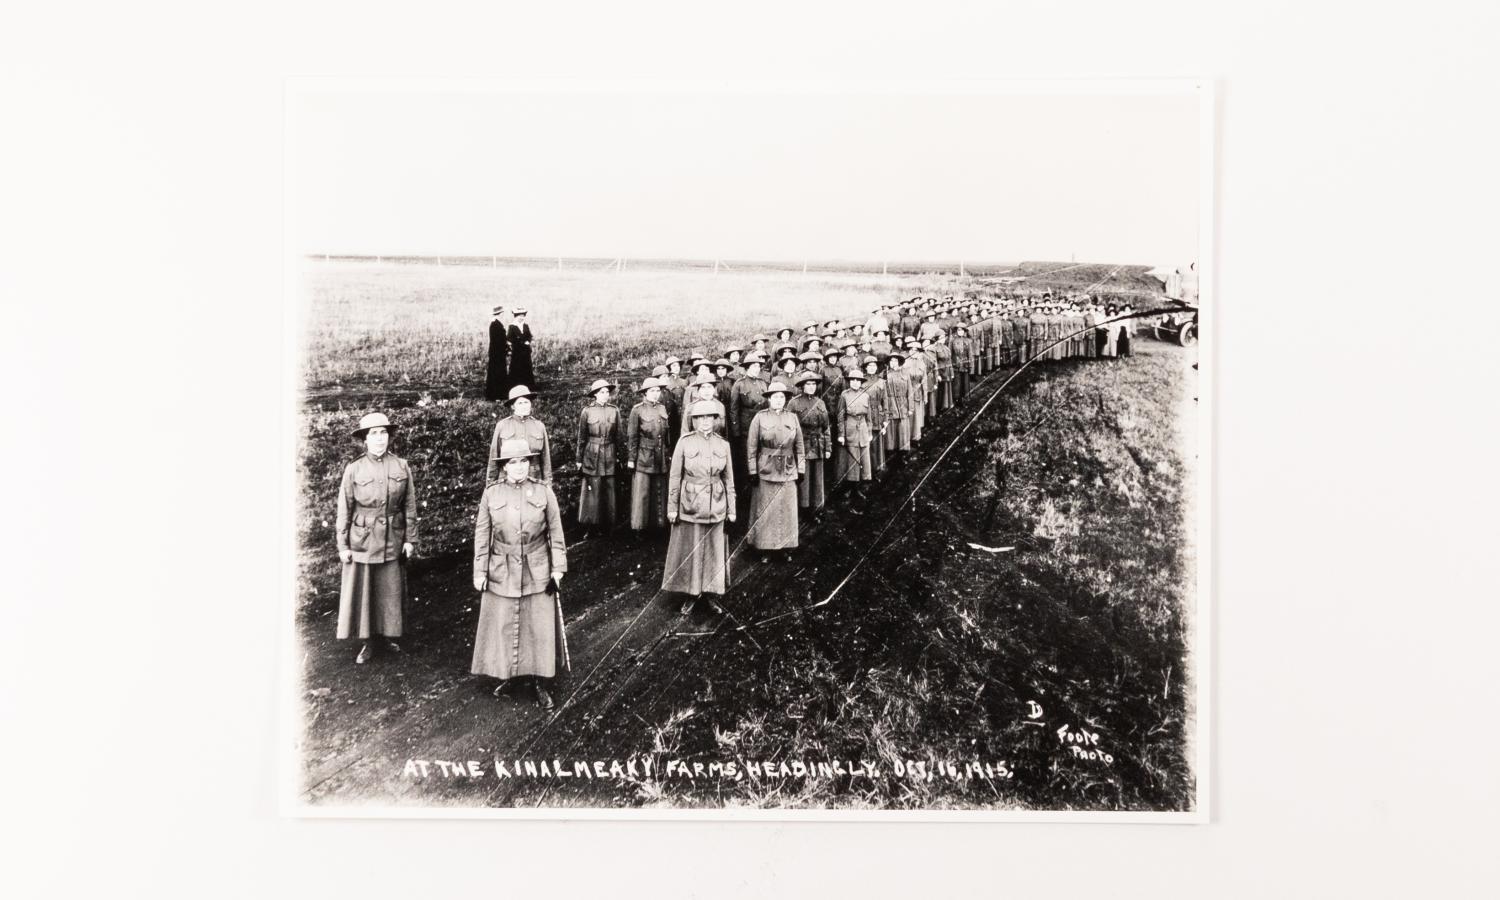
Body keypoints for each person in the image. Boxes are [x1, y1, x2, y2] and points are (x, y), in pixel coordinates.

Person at [471, 438, 568, 710]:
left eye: (524, 461)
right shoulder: (491, 494)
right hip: (501, 567)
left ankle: (540, 681)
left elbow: (556, 532)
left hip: (537, 567)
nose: (519, 467)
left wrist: (558, 568)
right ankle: (511, 676)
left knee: (537, 625)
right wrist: (480, 570)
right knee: (506, 622)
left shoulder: (543, 492)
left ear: (530, 464)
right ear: (503, 466)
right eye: (512, 462)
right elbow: (482, 534)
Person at [335, 412, 417, 664]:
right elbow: (344, 509)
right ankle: (368, 642)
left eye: (383, 433)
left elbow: (410, 506)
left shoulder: (401, 466)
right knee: (366, 591)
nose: (380, 439)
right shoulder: (354, 469)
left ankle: (388, 635)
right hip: (363, 540)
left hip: (393, 537)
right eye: (374, 434)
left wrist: (410, 539)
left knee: (389, 590)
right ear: (365, 440)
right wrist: (343, 545)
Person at [664, 400, 737, 614]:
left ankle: (711, 594)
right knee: (692, 550)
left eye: (709, 418)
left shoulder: (723, 444)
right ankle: (691, 594)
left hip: (716, 504)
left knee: (714, 550)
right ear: (693, 421)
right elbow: (675, 477)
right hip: (691, 504)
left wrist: (731, 509)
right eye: (700, 418)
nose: (705, 422)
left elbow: (729, 479)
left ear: (715, 420)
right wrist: (672, 507)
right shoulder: (684, 443)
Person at [745, 381, 805, 558]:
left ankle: (786, 547)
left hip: (788, 469)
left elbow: (800, 445)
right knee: (766, 509)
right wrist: (753, 471)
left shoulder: (792, 418)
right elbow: (751, 447)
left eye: (782, 397)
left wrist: (800, 468)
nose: (779, 400)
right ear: (769, 399)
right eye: (775, 397)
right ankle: (765, 548)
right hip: (766, 469)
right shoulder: (760, 418)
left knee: (787, 509)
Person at [626, 377, 674, 532]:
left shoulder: (662, 408)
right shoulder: (637, 410)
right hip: (644, 456)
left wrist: (668, 453)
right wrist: (632, 459)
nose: (655, 394)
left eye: (658, 391)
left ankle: (658, 525)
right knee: (643, 492)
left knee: (659, 490)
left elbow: (666, 434)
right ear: (645, 393)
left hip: (661, 456)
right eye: (652, 391)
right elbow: (632, 437)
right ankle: (639, 528)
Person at [575, 378, 621, 536]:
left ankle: (608, 526)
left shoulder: (614, 410)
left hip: (609, 453)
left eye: (607, 392)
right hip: (592, 454)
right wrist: (579, 460)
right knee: (593, 490)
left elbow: (619, 436)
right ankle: (591, 527)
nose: (605, 395)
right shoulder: (587, 412)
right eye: (602, 392)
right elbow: (582, 437)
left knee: (609, 490)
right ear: (595, 394)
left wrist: (620, 456)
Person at [486, 385, 553, 485]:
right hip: (508, 480)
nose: (524, 406)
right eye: (520, 403)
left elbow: (546, 460)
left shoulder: (539, 426)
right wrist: (490, 485)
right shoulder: (502, 426)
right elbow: (494, 458)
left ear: (531, 404)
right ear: (513, 406)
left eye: (526, 402)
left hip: (534, 479)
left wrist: (548, 484)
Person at [787, 371, 832, 514]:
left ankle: (817, 507)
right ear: (802, 386)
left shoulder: (820, 402)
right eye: (808, 384)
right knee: (804, 479)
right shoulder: (794, 403)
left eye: (814, 384)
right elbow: (789, 428)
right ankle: (803, 508)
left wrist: (828, 447)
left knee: (818, 478)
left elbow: (826, 427)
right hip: (802, 445)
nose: (811, 387)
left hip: (818, 444)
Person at [835, 369, 878, 502]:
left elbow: (869, 416)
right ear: (849, 382)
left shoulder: (865, 395)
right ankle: (849, 488)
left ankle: (858, 488)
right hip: (850, 429)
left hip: (863, 430)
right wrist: (841, 434)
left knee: (863, 460)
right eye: (852, 380)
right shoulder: (844, 395)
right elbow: (840, 416)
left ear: (861, 382)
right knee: (851, 461)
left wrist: (869, 432)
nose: (855, 383)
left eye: (857, 380)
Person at [680, 372, 727, 436]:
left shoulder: (720, 406)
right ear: (698, 391)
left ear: (714, 389)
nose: (706, 391)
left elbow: (724, 433)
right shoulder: (690, 408)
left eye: (709, 387)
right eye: (703, 387)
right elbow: (685, 433)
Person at [485, 305, 510, 401]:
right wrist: (506, 346)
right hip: (497, 353)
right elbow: (498, 340)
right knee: (497, 372)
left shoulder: (495, 323)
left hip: (497, 352)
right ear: (500, 314)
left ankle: (496, 394)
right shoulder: (495, 324)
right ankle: (496, 395)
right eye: (502, 313)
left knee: (496, 372)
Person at [507, 307, 535, 388]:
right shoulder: (512, 326)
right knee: (517, 367)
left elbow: (529, 335)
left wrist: (528, 341)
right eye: (520, 316)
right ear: (516, 316)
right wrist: (519, 342)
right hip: (517, 351)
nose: (521, 318)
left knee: (527, 367)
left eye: (523, 316)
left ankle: (528, 385)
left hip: (526, 350)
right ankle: (516, 385)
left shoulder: (525, 325)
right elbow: (509, 338)